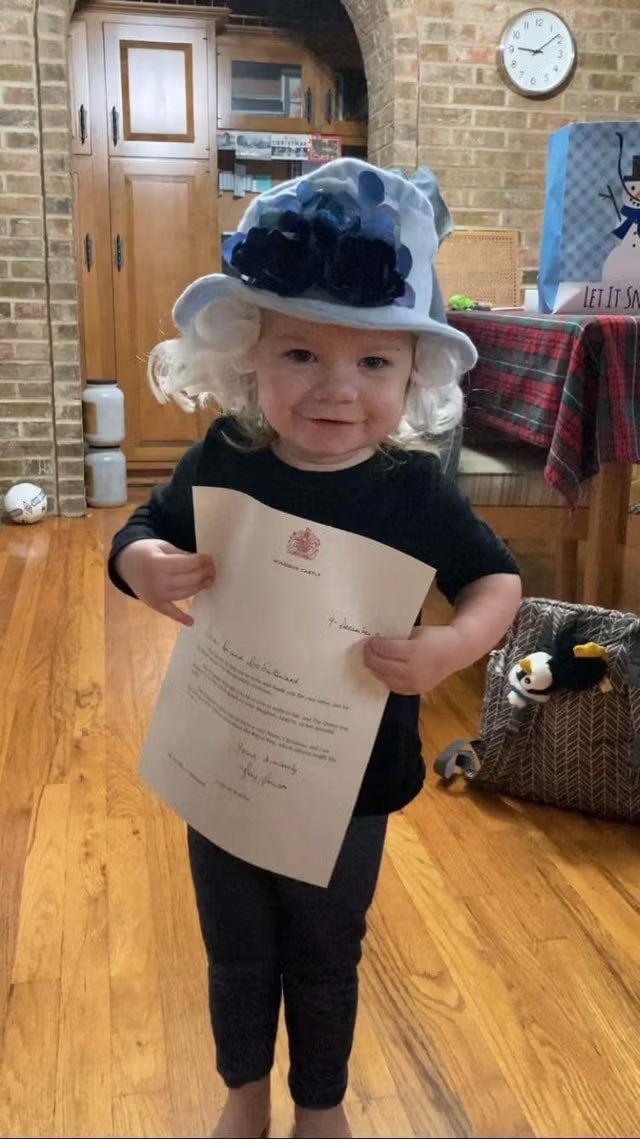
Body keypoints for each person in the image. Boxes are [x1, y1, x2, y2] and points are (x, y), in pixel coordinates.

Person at [108, 159, 522, 1139]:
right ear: (247, 355)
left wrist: (452, 644)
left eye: (373, 363)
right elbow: (135, 531)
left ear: (411, 376)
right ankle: (242, 1090)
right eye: (301, 354)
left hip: (351, 781)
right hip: (223, 755)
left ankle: (319, 1104)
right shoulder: (225, 455)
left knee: (327, 950)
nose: (337, 389)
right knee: (236, 945)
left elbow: (493, 580)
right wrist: (143, 563)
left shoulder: (415, 490)